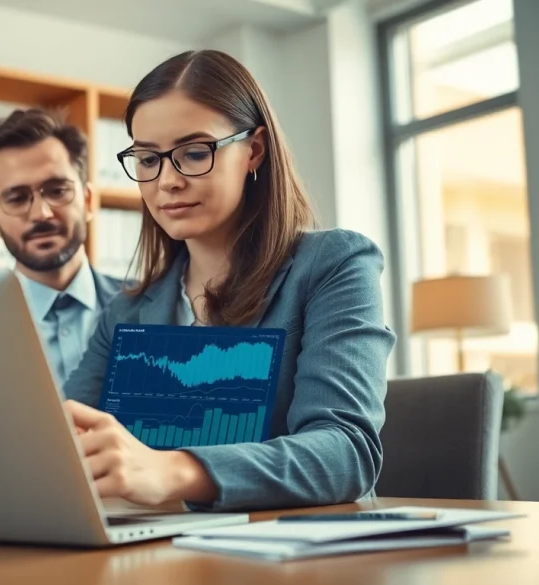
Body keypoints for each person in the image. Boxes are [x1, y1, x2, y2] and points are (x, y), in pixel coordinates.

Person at [60, 49, 397, 513]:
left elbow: (345, 453)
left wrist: (174, 471)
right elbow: (63, 440)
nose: (167, 181)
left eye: (194, 152)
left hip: (295, 552)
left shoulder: (332, 265)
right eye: (146, 159)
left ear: (254, 150)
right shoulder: (127, 309)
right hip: (158, 551)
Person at [0, 108, 128, 387]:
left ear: (89, 201)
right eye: (17, 198)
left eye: (57, 191)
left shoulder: (154, 309)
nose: (41, 213)